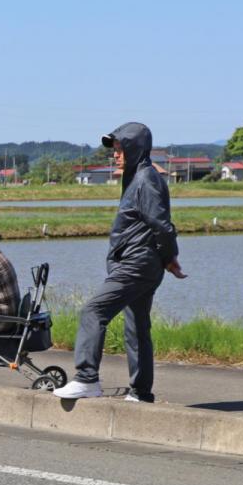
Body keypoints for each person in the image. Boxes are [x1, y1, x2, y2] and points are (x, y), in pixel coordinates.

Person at [52, 122, 186, 402]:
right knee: (136, 327)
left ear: (135, 148)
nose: (115, 155)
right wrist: (166, 258)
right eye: (114, 150)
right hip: (139, 262)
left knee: (93, 311)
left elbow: (161, 225)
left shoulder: (146, 179)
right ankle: (141, 393)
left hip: (137, 263)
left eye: (120, 149)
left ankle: (87, 379)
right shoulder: (136, 176)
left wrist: (170, 256)